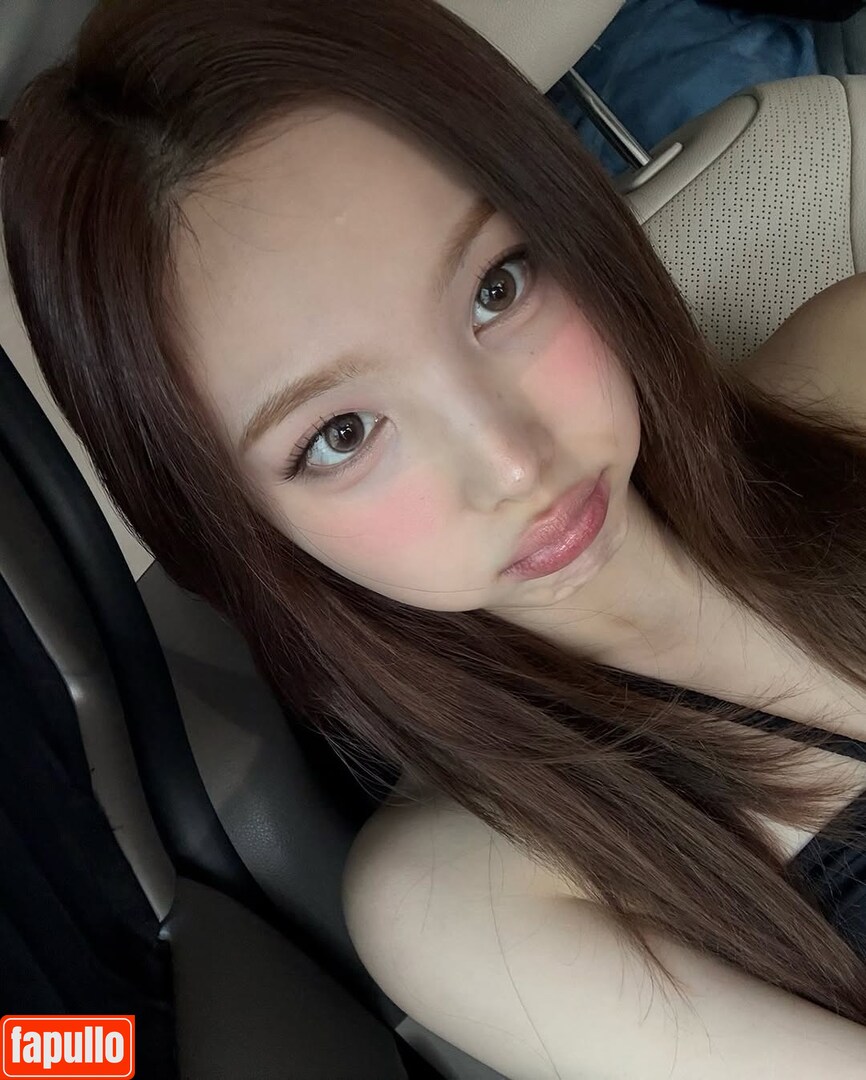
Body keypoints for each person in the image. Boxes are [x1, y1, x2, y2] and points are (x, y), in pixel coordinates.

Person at [2, 0, 866, 1074]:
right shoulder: (469, 896)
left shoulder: (851, 349)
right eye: (340, 435)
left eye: (497, 289)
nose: (512, 465)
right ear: (238, 527)